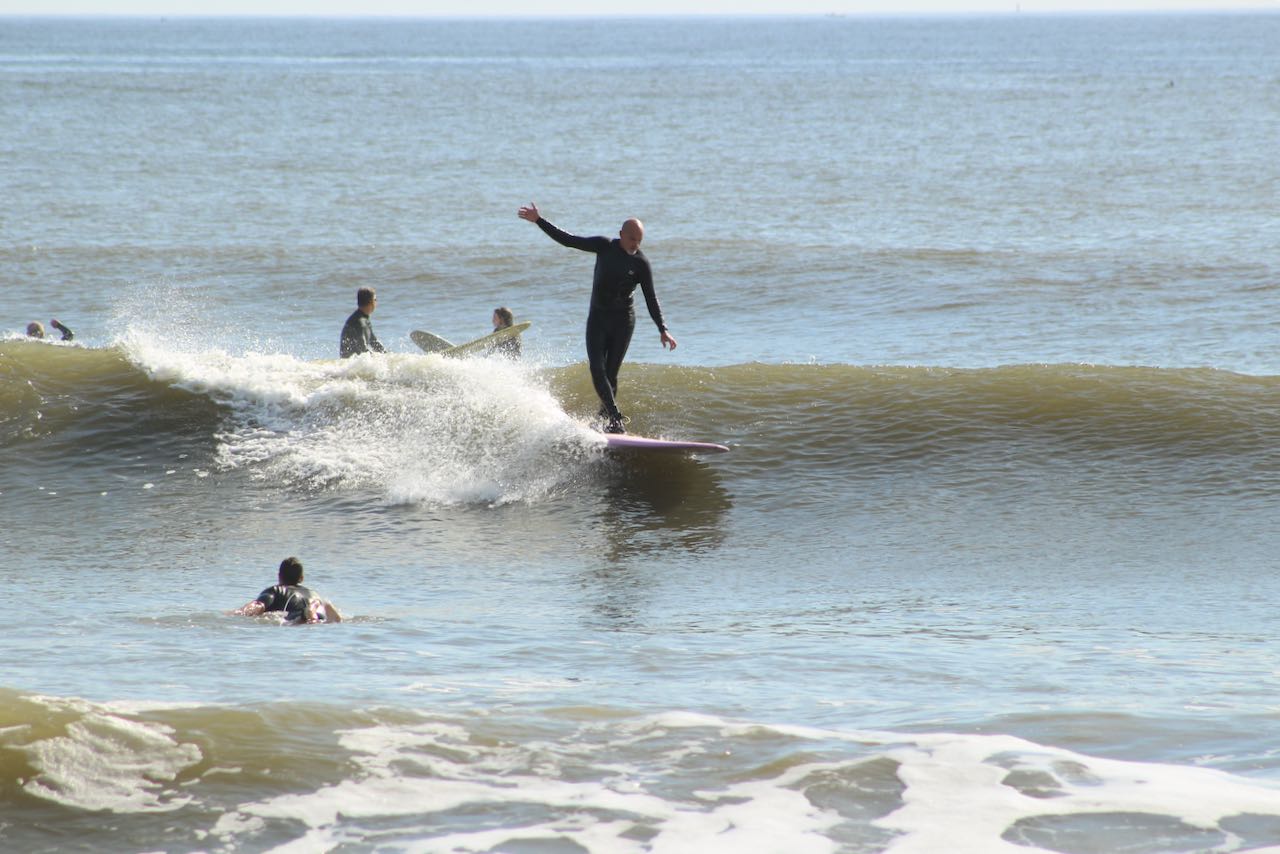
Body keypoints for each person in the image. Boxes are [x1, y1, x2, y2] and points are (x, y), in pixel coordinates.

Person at [517, 202, 677, 434]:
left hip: (623, 322)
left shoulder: (641, 263)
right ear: (621, 234)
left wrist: (662, 328)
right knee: (597, 369)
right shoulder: (604, 246)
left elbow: (651, 297)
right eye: (632, 239)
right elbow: (570, 240)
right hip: (598, 319)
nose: (635, 244)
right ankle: (615, 418)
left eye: (639, 240)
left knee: (610, 374)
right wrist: (539, 220)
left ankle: (607, 420)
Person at [232, 557, 341, 624]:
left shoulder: (276, 590)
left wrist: (238, 613)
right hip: (320, 615)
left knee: (297, 619)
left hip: (298, 616)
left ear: (279, 576)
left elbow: (258, 605)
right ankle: (326, 611)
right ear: (301, 578)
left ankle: (308, 613)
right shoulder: (313, 593)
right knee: (319, 618)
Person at [339, 287, 386, 358]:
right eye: (375, 299)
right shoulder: (359, 322)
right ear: (371, 301)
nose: (376, 302)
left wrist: (389, 356)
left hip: (355, 363)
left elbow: (374, 342)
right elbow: (362, 349)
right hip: (351, 365)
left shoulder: (363, 319)